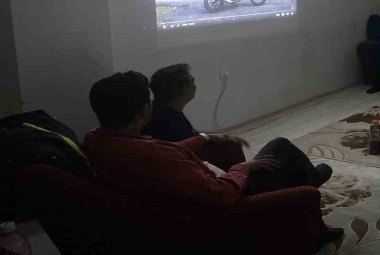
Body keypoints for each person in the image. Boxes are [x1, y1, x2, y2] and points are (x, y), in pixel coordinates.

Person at [85, 71, 343, 246]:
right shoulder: (156, 155)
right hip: (226, 204)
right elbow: (221, 194)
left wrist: (204, 138)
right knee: (281, 147)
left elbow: (169, 151)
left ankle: (306, 178)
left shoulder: (97, 140)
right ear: (144, 111)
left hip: (193, 195)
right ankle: (312, 212)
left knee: (279, 155)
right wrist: (243, 168)